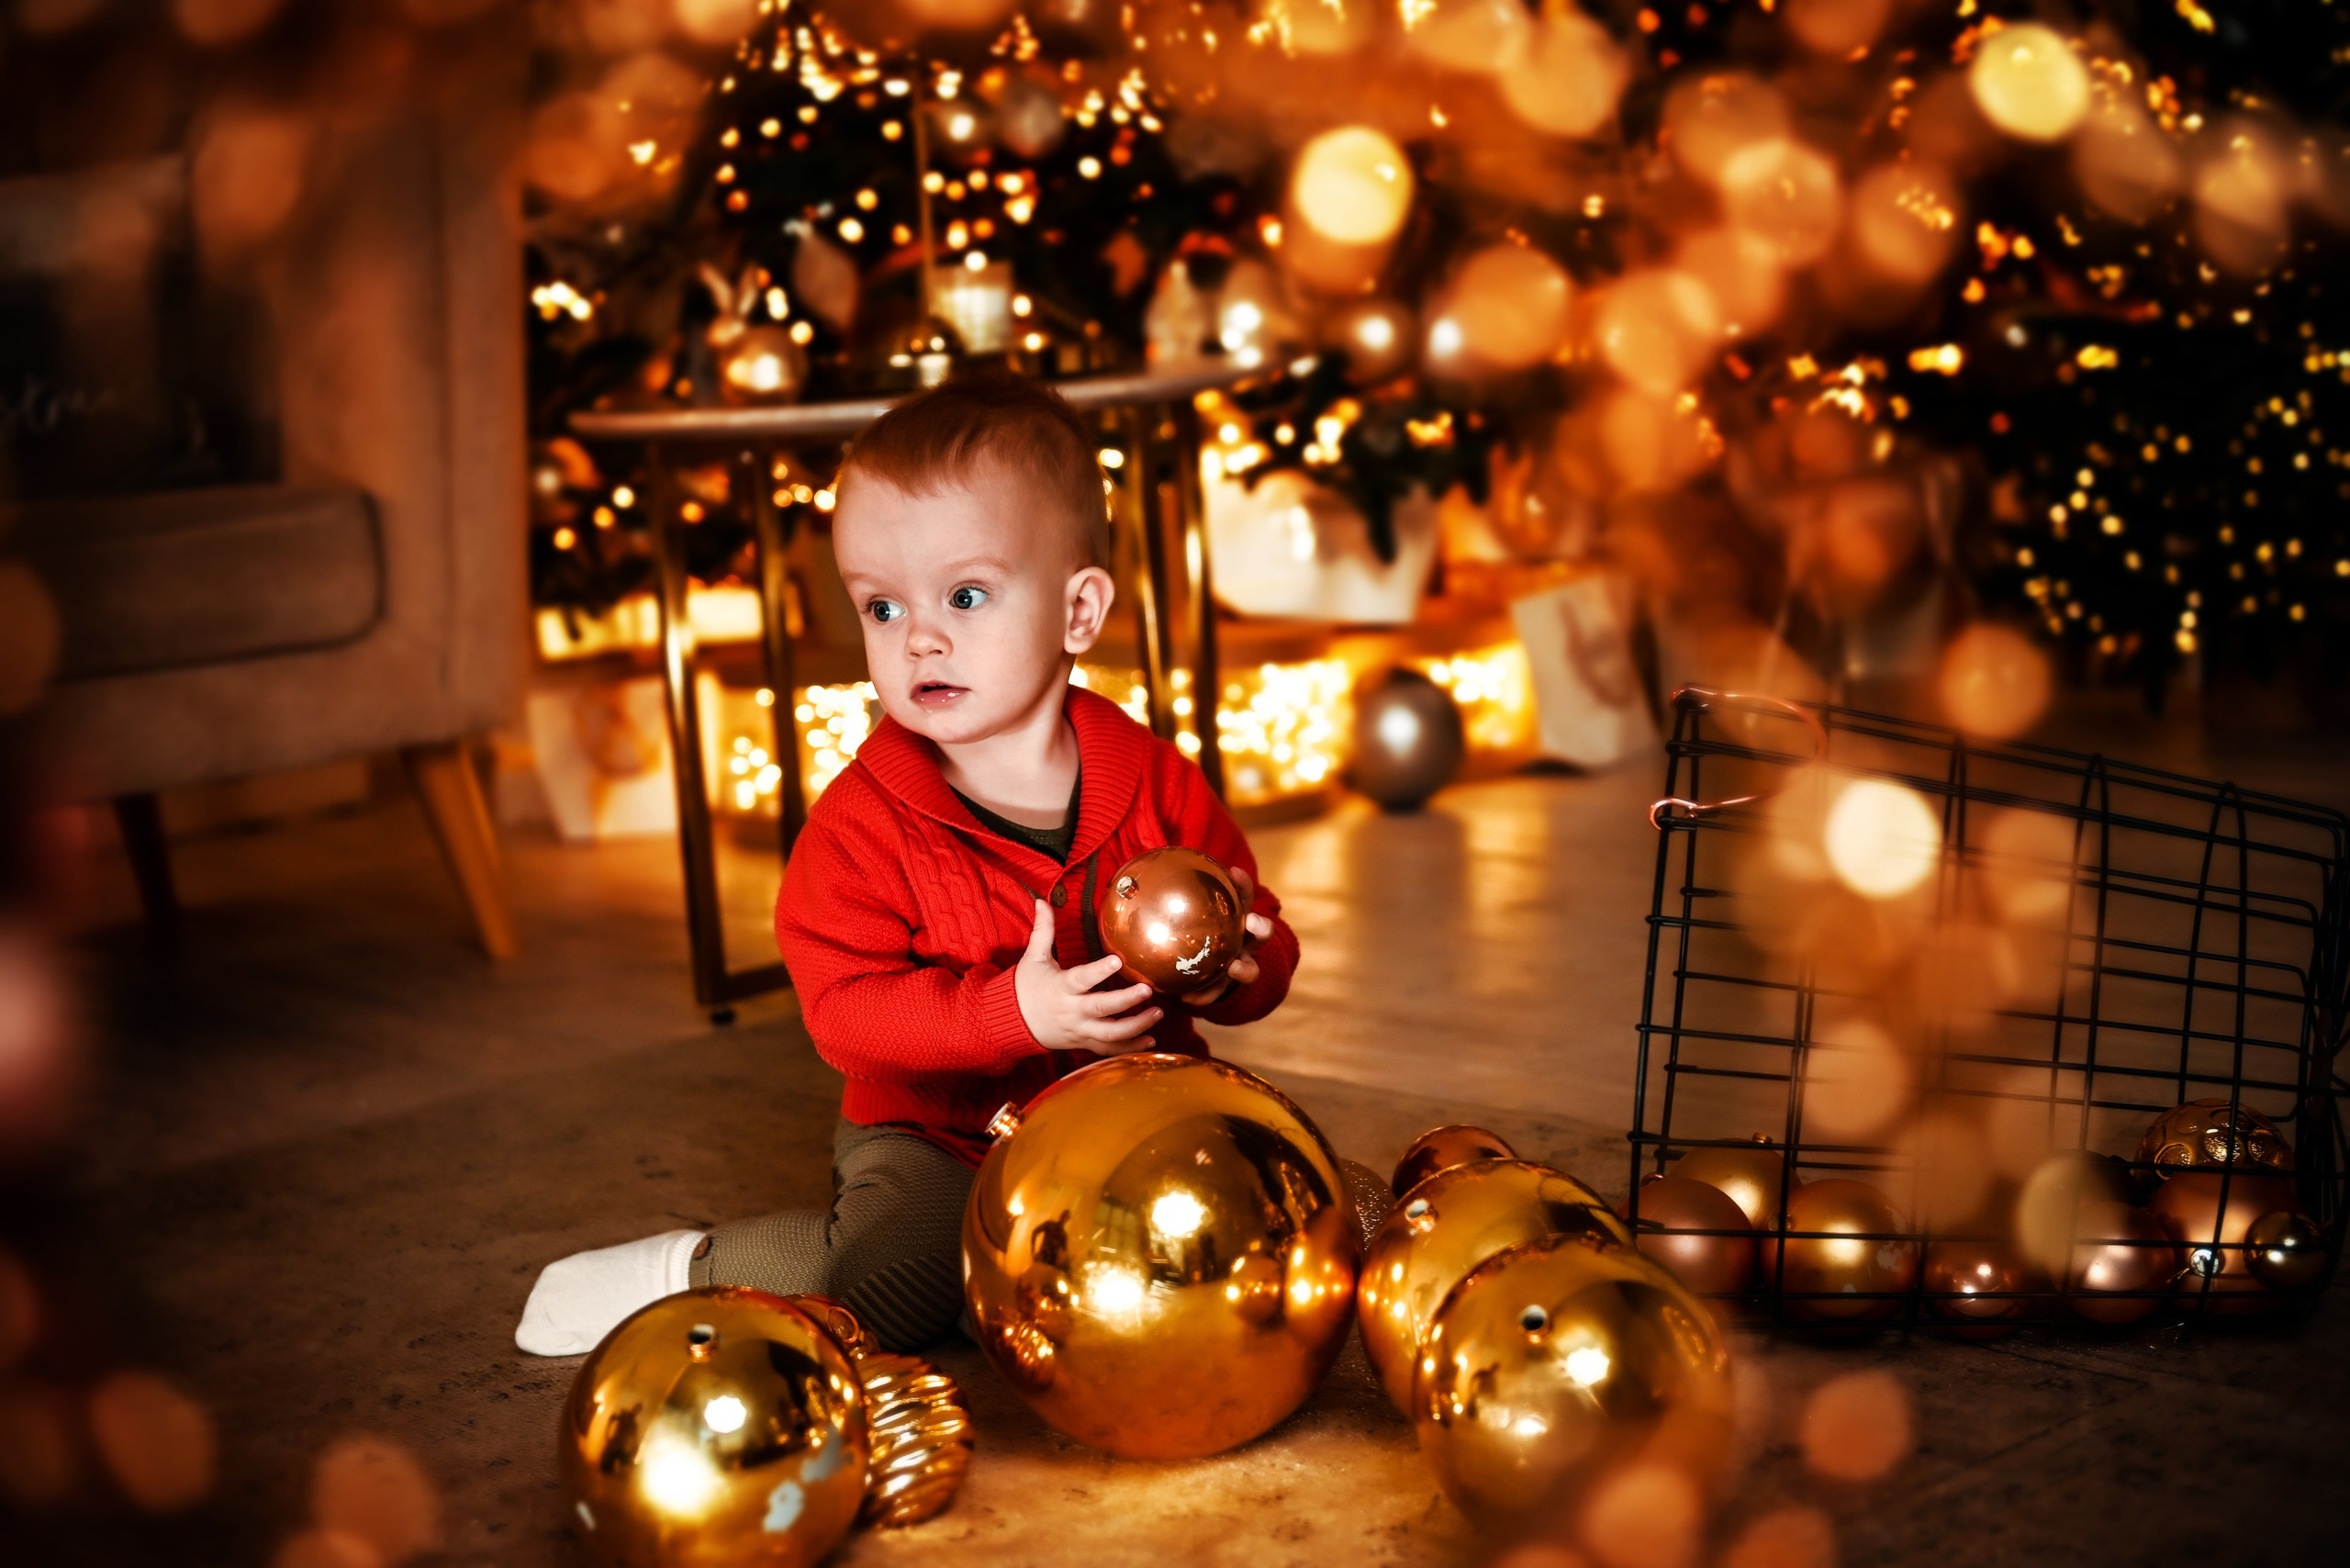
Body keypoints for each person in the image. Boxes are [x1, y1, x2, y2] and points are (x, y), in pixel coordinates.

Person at [515, 372, 1298, 1355]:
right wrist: (1015, 1012)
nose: (919, 635)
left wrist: (1242, 970)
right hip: (939, 1135)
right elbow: (844, 1013)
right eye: (881, 607)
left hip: (1130, 1114)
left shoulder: (1154, 781)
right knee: (894, 1286)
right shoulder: (859, 824)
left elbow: (1249, 920)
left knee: (1259, 1239)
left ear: (1077, 611)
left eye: (965, 595)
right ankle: (696, 1268)